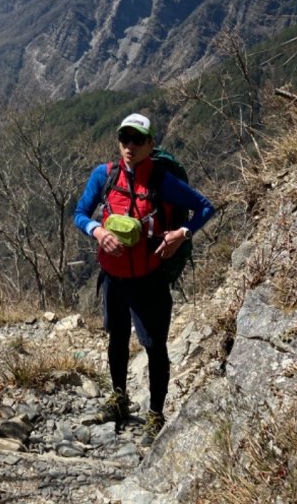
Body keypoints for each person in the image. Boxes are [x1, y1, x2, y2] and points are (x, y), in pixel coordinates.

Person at [74, 111, 215, 446]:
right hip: (113, 278)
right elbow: (79, 213)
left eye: (138, 140)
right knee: (117, 339)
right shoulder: (104, 176)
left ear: (151, 144)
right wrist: (97, 231)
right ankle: (119, 400)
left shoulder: (162, 181)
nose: (130, 146)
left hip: (149, 279)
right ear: (118, 142)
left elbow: (205, 207)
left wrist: (182, 232)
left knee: (154, 348)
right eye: (125, 139)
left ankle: (155, 414)